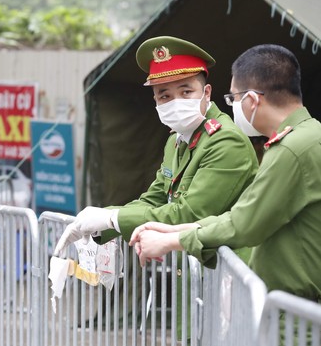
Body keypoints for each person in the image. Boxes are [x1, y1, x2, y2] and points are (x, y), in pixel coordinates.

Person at [131, 44, 321, 303]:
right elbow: (244, 215)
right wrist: (174, 230)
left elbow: (243, 225)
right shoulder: (307, 136)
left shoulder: (292, 148)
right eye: (164, 96)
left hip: (296, 315)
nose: (231, 106)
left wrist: (172, 240)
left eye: (233, 98)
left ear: (252, 100)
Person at [54, 36, 258, 256]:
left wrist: (111, 219)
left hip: (225, 276)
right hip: (191, 273)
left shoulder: (225, 141)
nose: (176, 102)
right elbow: (155, 199)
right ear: (155, 100)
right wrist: (100, 224)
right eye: (165, 96)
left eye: (186, 92)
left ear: (206, 93)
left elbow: (189, 214)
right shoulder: (176, 140)